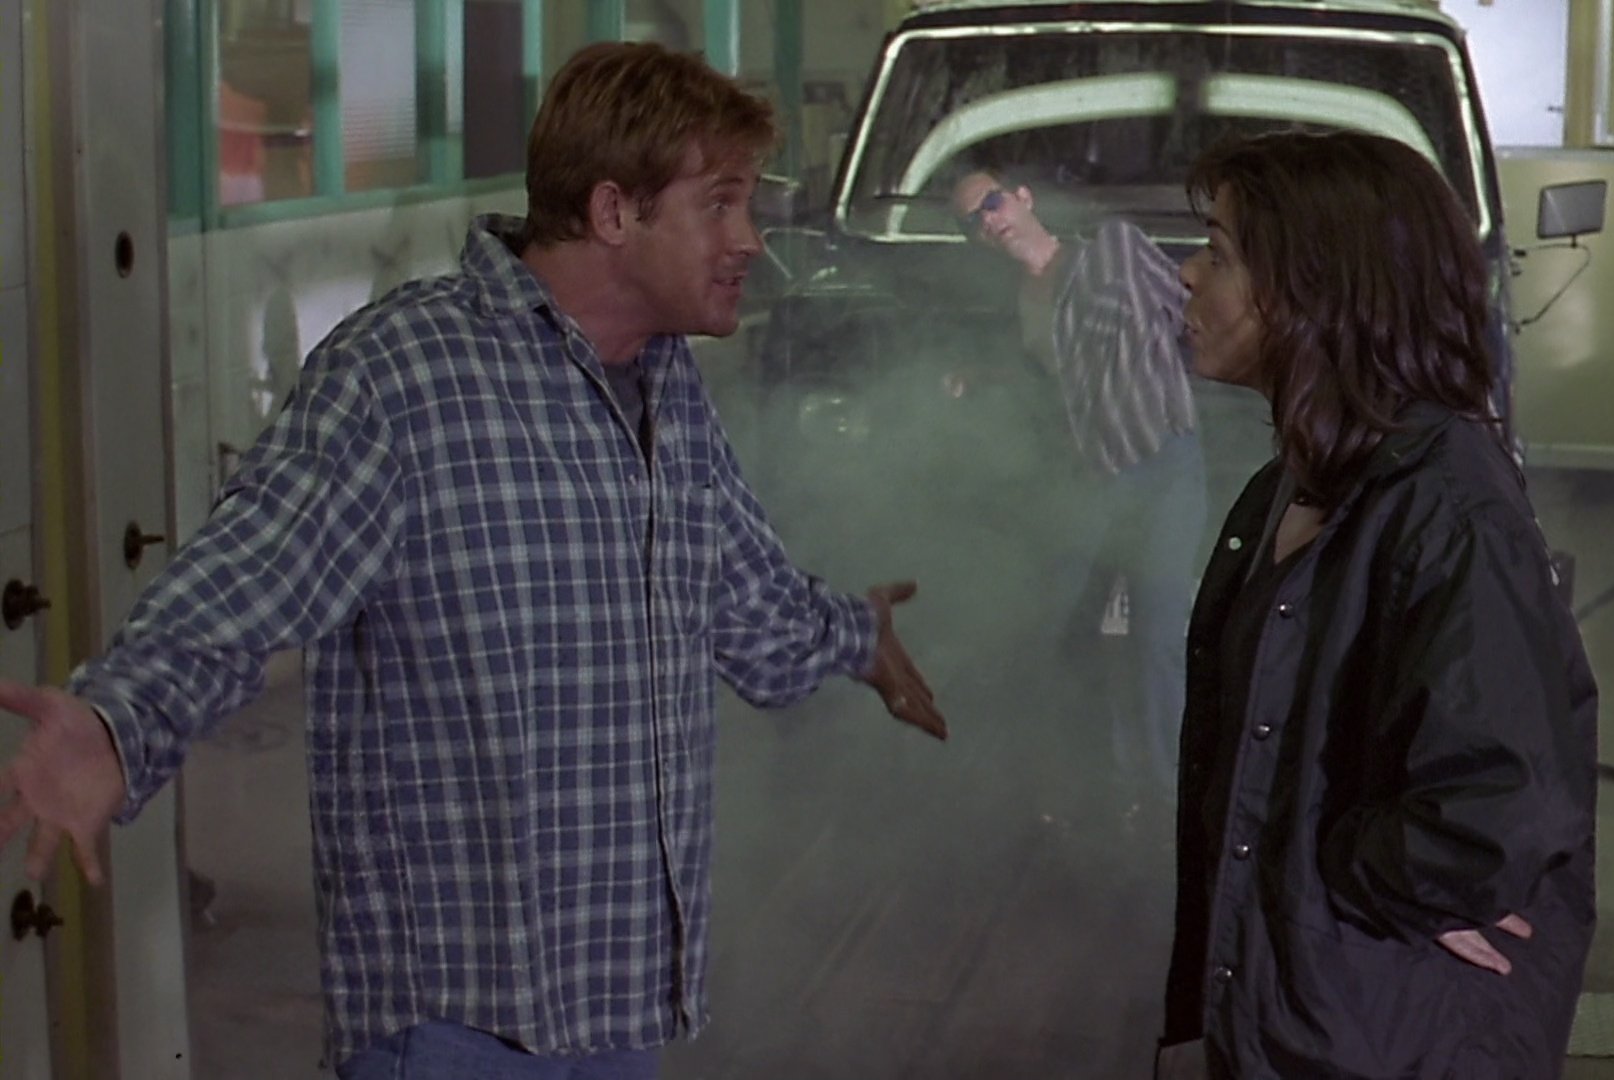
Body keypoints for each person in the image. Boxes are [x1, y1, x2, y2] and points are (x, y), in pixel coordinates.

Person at [0, 42, 945, 1079]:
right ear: (614, 211)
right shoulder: (404, 377)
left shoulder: (662, 381)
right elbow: (248, 579)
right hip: (458, 1024)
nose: (750, 241)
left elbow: (748, 605)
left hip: (617, 995)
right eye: (720, 205)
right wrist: (117, 722)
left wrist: (857, 635)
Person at [1158, 130, 1598, 1079]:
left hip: (1391, 1039)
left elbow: (1493, 818)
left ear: (1315, 289)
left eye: (1219, 253)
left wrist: (1327, 875)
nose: (1186, 274)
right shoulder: (1297, 484)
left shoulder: (1447, 507)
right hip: (1301, 1020)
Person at [949, 168, 1206, 825]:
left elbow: (1189, 311)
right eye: (974, 219)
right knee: (1064, 624)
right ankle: (1101, 780)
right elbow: (1054, 381)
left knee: (1157, 631)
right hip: (1094, 476)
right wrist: (982, 377)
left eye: (993, 202)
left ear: (1024, 198)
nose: (989, 220)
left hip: (1163, 464)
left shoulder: (1114, 249)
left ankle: (1170, 795)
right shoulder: (1024, 301)